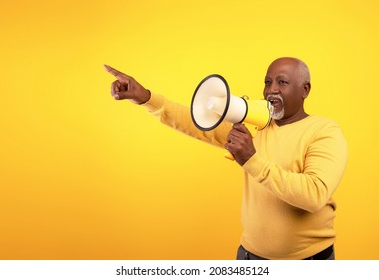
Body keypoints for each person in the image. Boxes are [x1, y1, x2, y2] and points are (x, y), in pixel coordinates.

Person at [104, 57, 348, 260]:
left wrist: (251, 159)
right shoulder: (257, 126)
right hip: (248, 257)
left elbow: (314, 195)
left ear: (305, 90)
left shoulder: (324, 131)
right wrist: (146, 98)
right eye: (267, 82)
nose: (271, 89)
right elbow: (196, 123)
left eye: (282, 82)